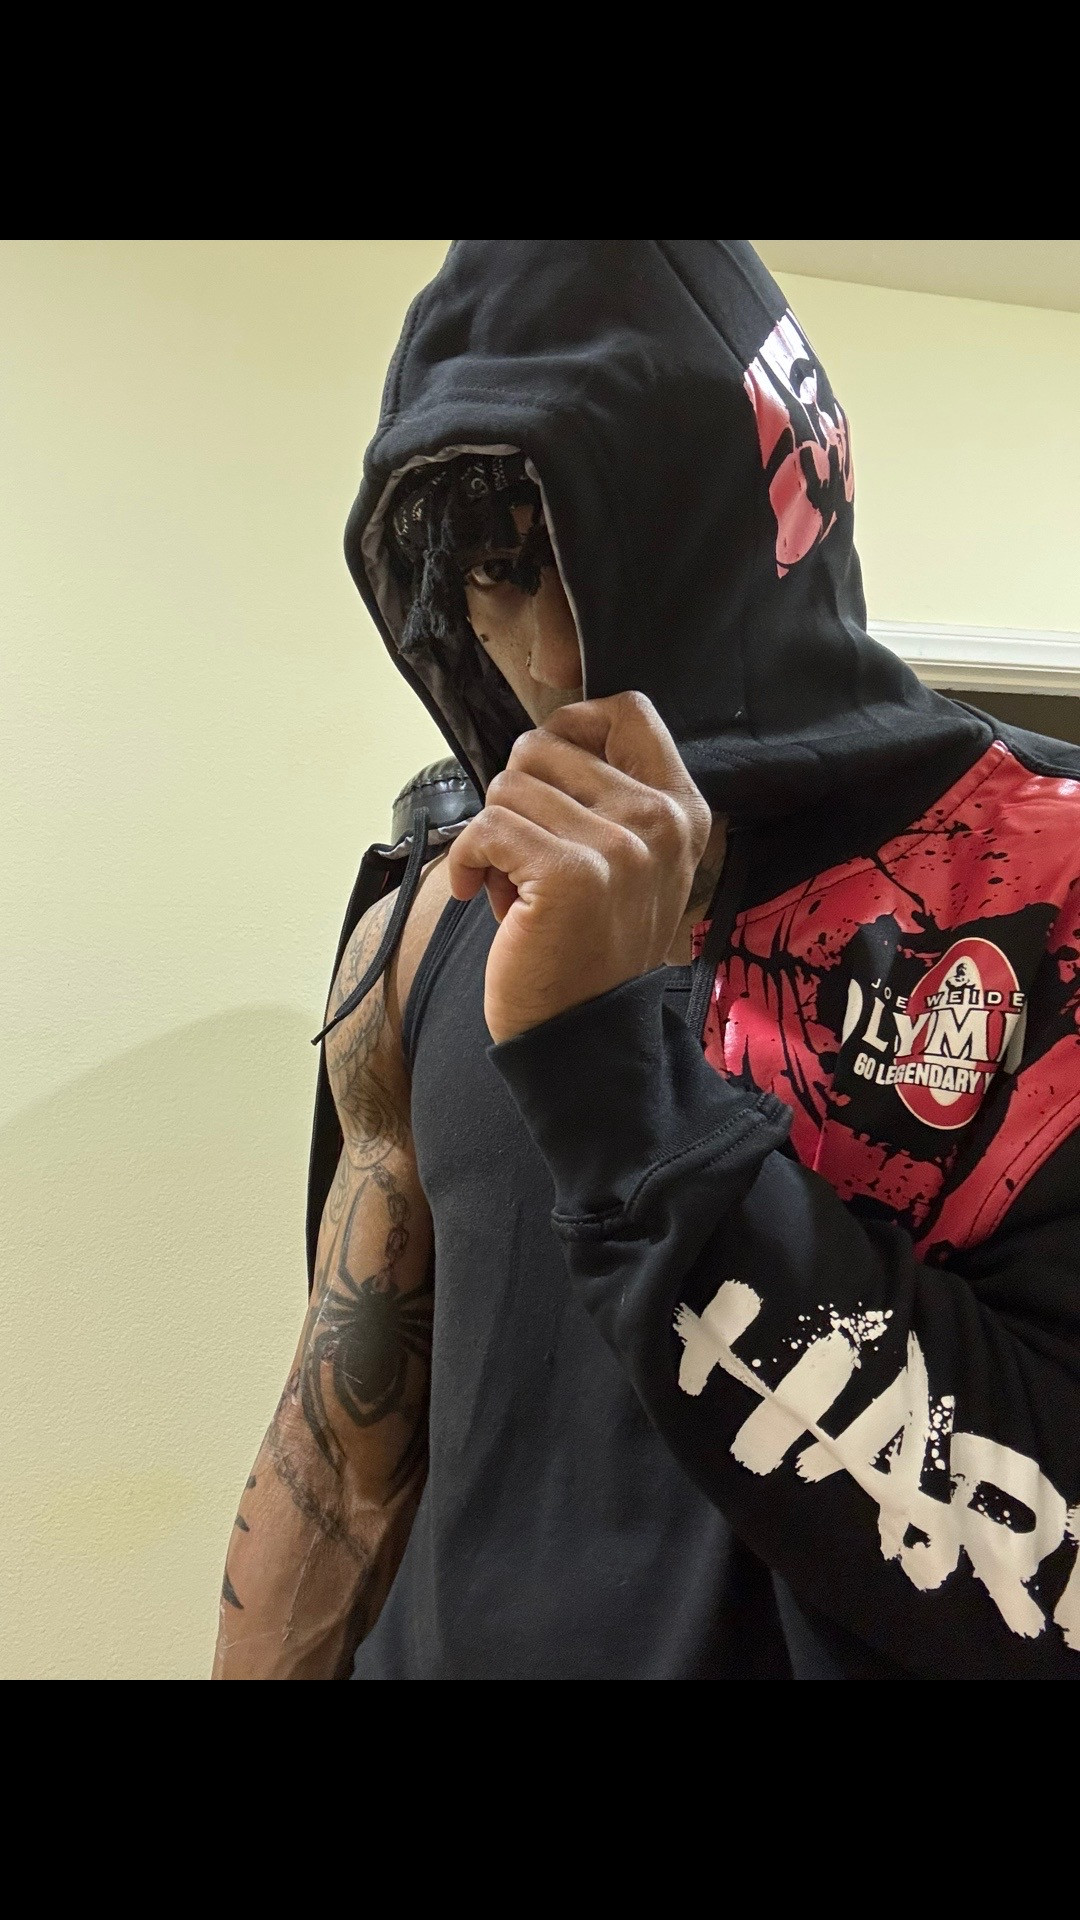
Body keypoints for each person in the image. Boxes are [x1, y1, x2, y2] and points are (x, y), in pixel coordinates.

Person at [213, 240, 1080, 1680]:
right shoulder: (428, 918)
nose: (554, 655)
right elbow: (343, 1454)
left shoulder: (1046, 891)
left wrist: (615, 1085)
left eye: (610, 552)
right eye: (497, 574)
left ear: (765, 519)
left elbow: (1045, 1561)